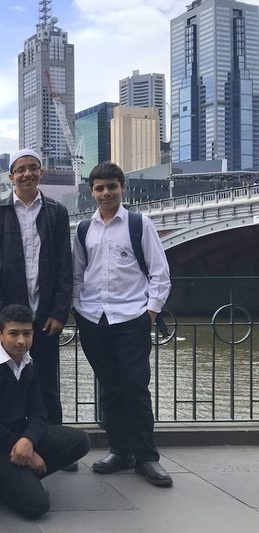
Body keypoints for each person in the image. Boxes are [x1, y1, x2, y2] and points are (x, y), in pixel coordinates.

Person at [72, 161, 173, 487]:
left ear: (122, 188)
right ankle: (120, 451)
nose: (105, 193)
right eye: (99, 188)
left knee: (135, 388)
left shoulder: (139, 223)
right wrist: (77, 308)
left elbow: (160, 271)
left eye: (111, 187)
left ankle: (147, 458)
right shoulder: (84, 229)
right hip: (93, 318)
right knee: (111, 389)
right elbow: (77, 274)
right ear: (92, 192)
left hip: (131, 318)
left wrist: (151, 313)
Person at [0, 304, 90, 519]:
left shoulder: (28, 365)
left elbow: (38, 411)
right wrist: (23, 451)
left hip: (18, 437)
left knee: (80, 441)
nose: (21, 340)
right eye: (14, 333)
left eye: (27, 334)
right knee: (37, 506)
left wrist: (28, 440)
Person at [0, 148, 73, 444]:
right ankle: (7, 441)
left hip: (44, 316)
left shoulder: (56, 212)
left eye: (33, 168)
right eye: (20, 169)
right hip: (9, 317)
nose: (27, 174)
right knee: (4, 381)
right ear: (11, 176)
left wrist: (59, 312)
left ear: (41, 173)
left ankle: (52, 441)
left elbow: (64, 265)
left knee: (46, 382)